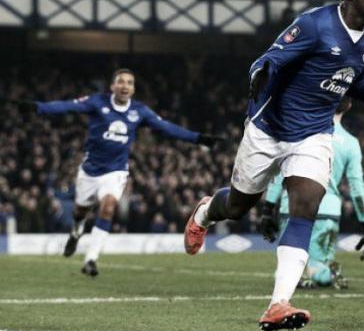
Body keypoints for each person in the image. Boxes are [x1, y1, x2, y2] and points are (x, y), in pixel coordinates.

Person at [182, 0, 364, 331]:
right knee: (240, 206)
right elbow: (268, 58)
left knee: (305, 206)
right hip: (268, 128)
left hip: (314, 133)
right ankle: (206, 212)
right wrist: (259, 74)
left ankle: (279, 303)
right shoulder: (314, 24)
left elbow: (356, 84)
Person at [7, 69, 221, 276]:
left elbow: (166, 127)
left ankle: (90, 259)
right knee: (80, 211)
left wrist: (198, 138)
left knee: (108, 206)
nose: (125, 86)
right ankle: (76, 231)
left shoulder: (139, 111)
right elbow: (66, 106)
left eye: (129, 82)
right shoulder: (97, 102)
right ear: (112, 86)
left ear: (133, 89)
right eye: (121, 81)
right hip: (89, 172)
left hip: (115, 172)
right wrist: (37, 107)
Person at [259, 97, 364, 290]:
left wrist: (267, 209)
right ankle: (327, 269)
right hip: (330, 211)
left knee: (289, 270)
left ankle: (319, 273)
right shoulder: (351, 143)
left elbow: (281, 175)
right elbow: (358, 188)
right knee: (318, 261)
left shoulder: (303, 132)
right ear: (349, 106)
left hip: (295, 206)